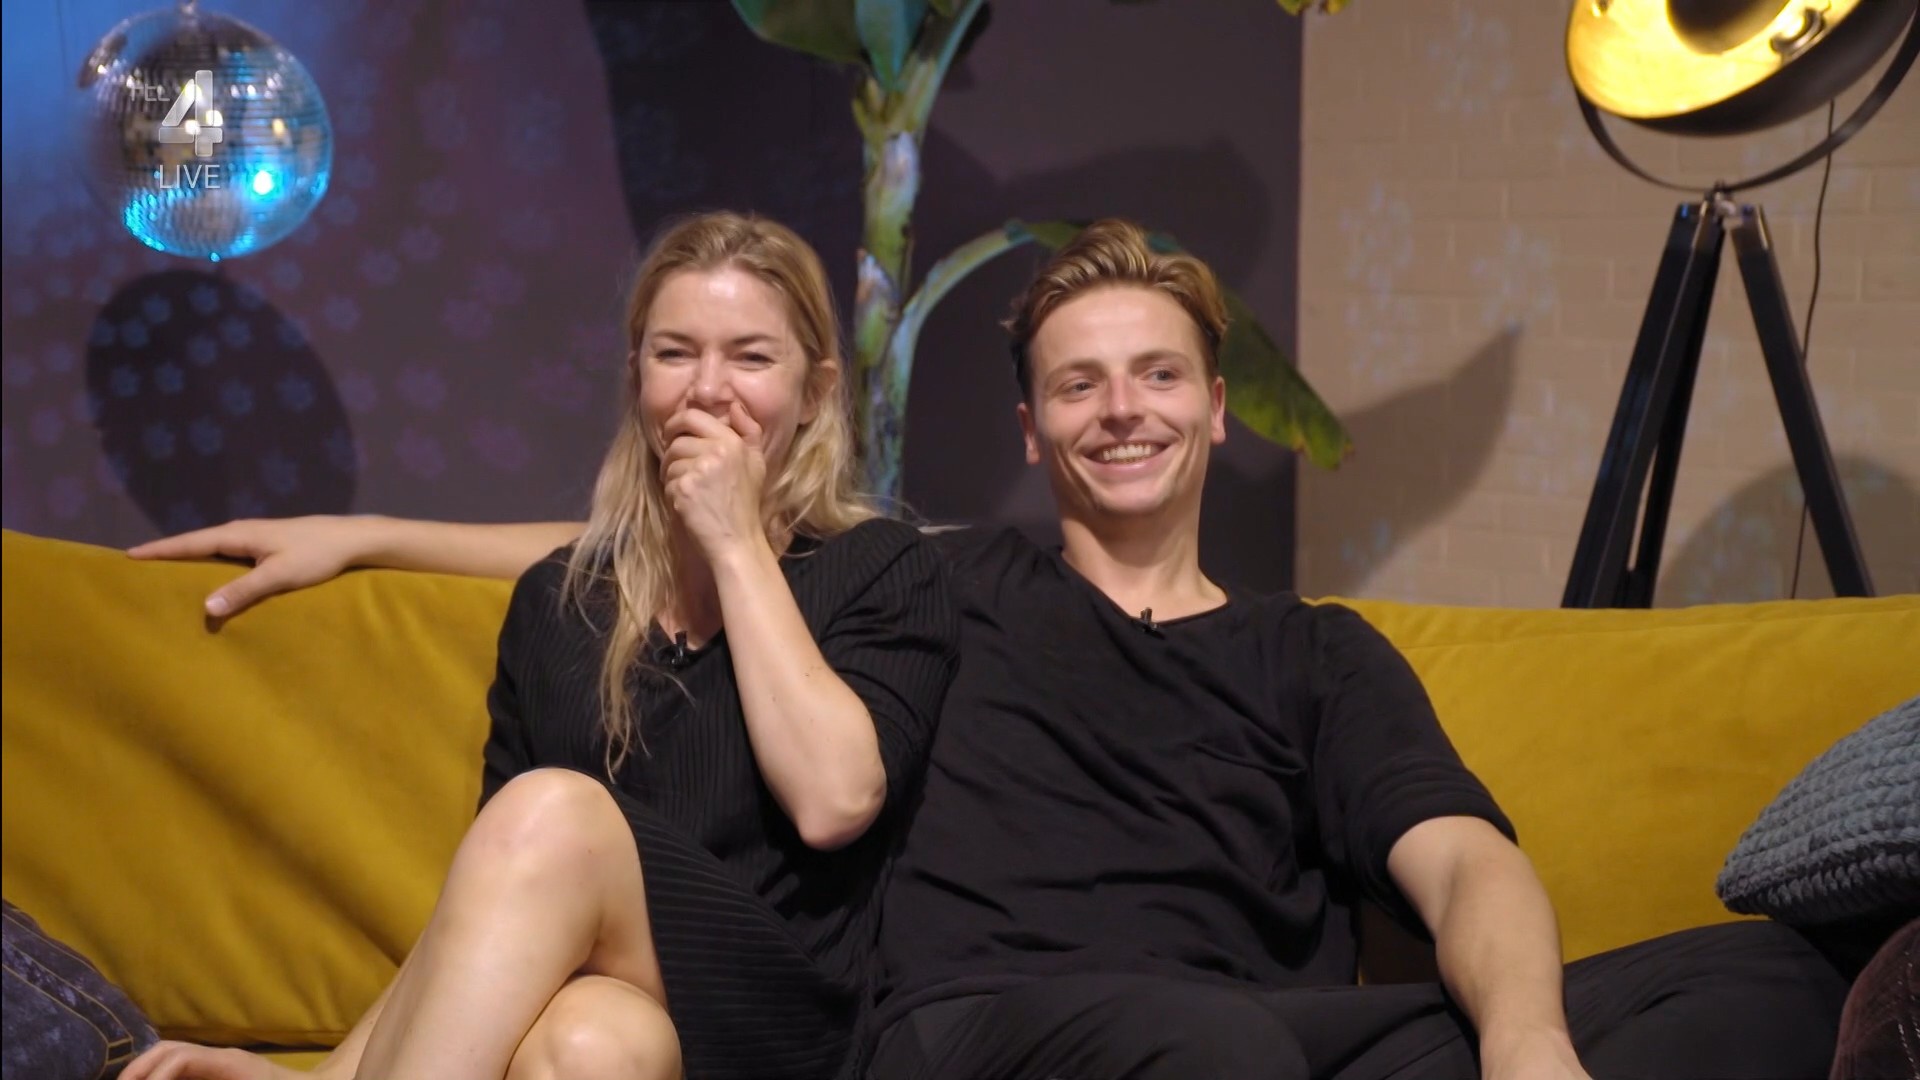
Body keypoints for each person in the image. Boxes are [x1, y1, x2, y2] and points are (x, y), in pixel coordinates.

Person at [135, 220, 1848, 1080]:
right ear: (1031, 432)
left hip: (1262, 1035)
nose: (1122, 411)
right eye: (1078, 385)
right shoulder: (946, 584)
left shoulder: (1318, 655)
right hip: (980, 1026)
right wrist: (372, 534)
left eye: (1158, 376)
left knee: (1767, 990)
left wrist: (1531, 1044)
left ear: (1218, 410)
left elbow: (1461, 856)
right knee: (1211, 1055)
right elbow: (670, 545)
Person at [121, 211, 960, 1080]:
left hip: (787, 1027)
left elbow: (834, 802)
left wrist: (735, 540)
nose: (709, 390)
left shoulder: (883, 569)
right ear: (637, 376)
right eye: (675, 354)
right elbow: (489, 907)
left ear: (815, 393)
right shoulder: (560, 604)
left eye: (751, 358)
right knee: (586, 1043)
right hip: (626, 1020)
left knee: (554, 812)